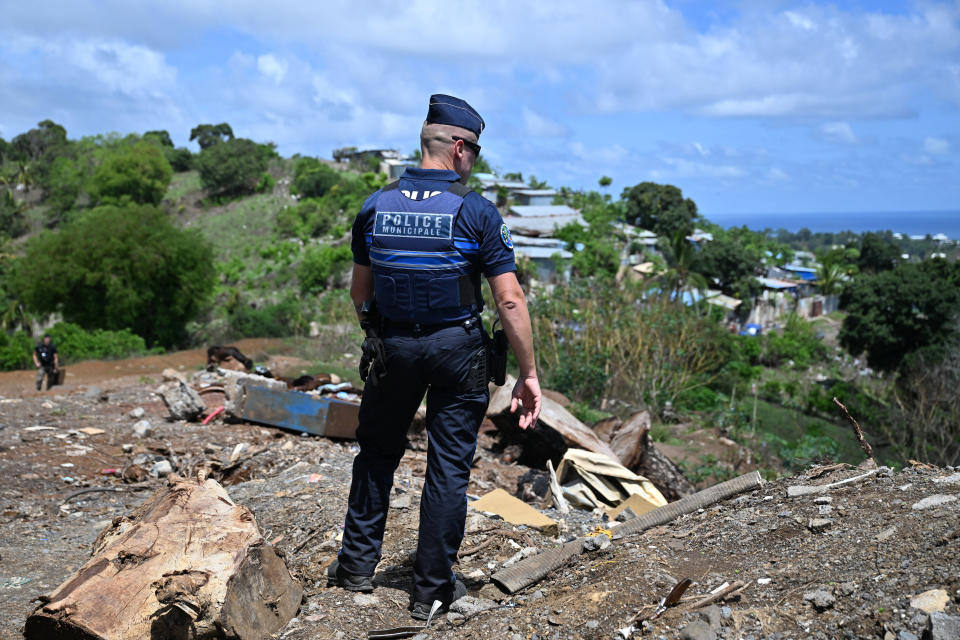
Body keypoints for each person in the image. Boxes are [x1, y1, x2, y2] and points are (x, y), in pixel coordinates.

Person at [330, 94, 542, 620]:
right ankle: (429, 591)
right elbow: (509, 299)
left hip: (393, 347)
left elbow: (360, 292)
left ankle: (356, 568)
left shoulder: (375, 205)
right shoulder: (475, 211)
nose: (474, 160)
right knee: (447, 468)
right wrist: (529, 374)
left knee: (377, 453)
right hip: (457, 351)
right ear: (459, 148)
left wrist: (376, 336)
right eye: (475, 151)